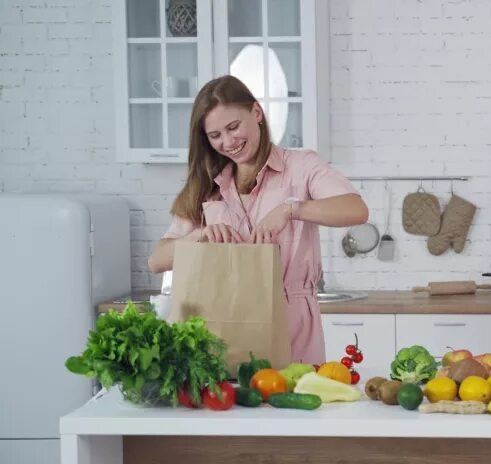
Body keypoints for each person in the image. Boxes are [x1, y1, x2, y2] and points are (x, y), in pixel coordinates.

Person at [148, 75, 368, 364]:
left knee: (291, 401)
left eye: (233, 127)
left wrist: (292, 210)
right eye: (215, 136)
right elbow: (156, 261)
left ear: (256, 113)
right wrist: (200, 235)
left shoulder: (300, 166)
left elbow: (355, 209)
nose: (228, 142)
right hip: (221, 327)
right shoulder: (207, 184)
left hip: (292, 326)